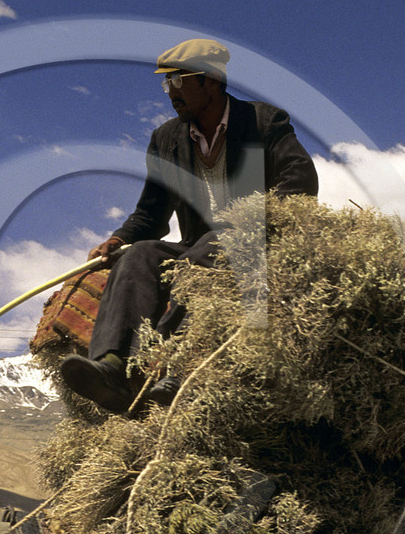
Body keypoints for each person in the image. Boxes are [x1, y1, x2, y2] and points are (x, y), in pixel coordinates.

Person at [59, 38, 319, 413]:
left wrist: (263, 221)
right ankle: (113, 367)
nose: (170, 93)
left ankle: (178, 364)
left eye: (178, 81)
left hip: (252, 241)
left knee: (217, 243)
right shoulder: (166, 140)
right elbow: (151, 214)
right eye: (167, 85)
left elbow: (300, 178)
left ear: (210, 80)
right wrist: (118, 239)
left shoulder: (263, 122)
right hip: (197, 244)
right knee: (141, 255)